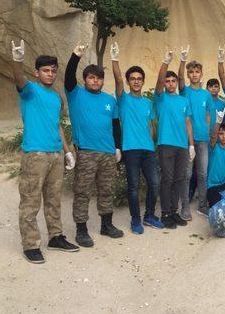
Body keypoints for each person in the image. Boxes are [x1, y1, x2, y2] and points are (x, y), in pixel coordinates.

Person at [11, 40, 78, 263]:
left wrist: (67, 151)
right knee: (30, 201)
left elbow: (57, 125)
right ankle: (30, 244)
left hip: (55, 154)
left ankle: (56, 237)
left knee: (53, 199)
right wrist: (17, 61)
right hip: (35, 154)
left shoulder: (55, 97)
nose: (50, 74)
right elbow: (19, 79)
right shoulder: (30, 90)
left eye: (53, 71)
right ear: (36, 72)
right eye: (45, 71)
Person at [65, 44, 123, 247]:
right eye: (91, 77)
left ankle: (106, 225)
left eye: (98, 78)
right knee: (82, 192)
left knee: (107, 190)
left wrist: (118, 147)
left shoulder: (109, 100)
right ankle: (81, 230)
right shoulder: (76, 94)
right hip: (86, 153)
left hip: (107, 152)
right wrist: (75, 56)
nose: (95, 81)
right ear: (85, 79)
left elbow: (116, 125)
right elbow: (68, 77)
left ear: (102, 81)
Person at [110, 43, 163, 234]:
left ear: (143, 81)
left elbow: (150, 126)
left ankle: (149, 215)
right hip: (130, 148)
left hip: (148, 149)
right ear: (128, 81)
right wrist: (115, 59)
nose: (136, 81)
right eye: (132, 79)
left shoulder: (148, 103)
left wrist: (153, 144)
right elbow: (116, 80)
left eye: (139, 79)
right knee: (133, 186)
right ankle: (135, 220)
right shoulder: (123, 99)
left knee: (154, 184)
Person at [154, 50, 195, 229]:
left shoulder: (183, 100)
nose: (170, 83)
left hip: (182, 146)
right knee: (167, 179)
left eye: (173, 81)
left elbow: (188, 123)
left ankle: (175, 212)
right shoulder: (160, 98)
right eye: (167, 81)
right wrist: (165, 62)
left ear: (177, 82)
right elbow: (158, 83)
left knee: (180, 179)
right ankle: (165, 214)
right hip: (166, 144)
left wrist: (191, 144)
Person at [178, 48, 212, 217]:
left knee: (203, 174)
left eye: (197, 72)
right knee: (187, 174)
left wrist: (209, 134)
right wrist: (182, 61)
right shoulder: (185, 91)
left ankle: (202, 205)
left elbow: (207, 116)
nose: (194, 74)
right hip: (188, 140)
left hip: (203, 140)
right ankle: (184, 207)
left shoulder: (206, 95)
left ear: (201, 74)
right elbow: (179, 79)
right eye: (191, 72)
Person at [206, 116, 225, 208]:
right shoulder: (214, 147)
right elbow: (213, 138)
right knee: (217, 208)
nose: (224, 136)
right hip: (213, 185)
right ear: (218, 135)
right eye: (221, 134)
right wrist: (218, 122)